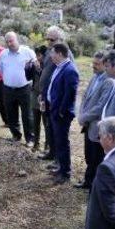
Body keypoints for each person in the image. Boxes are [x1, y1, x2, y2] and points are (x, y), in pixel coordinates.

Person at [74, 51, 114, 190]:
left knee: (96, 157)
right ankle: (88, 181)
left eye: (97, 64)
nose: (94, 66)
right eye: (93, 63)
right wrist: (81, 114)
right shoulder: (94, 77)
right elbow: (85, 97)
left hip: (96, 126)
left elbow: (100, 106)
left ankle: (93, 184)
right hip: (87, 124)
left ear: (105, 65)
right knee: (88, 155)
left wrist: (84, 117)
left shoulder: (108, 81)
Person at [37, 26, 74, 160]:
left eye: (52, 39)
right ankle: (52, 152)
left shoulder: (66, 54)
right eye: (47, 39)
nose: (49, 42)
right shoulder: (49, 51)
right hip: (47, 95)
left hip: (56, 99)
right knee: (49, 125)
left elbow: (70, 79)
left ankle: (59, 158)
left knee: (57, 130)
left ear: (60, 39)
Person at [44, 43, 79, 184]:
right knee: (58, 141)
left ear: (59, 54)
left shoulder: (70, 70)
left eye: (52, 53)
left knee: (63, 142)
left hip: (61, 114)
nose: (51, 56)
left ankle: (65, 173)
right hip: (55, 110)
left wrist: (61, 112)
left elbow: (70, 94)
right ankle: (60, 168)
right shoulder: (60, 67)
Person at [0, 31, 36, 146]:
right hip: (8, 89)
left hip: (25, 89)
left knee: (27, 115)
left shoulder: (28, 52)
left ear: (17, 39)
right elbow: (0, 69)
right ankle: (16, 135)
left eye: (12, 40)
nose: (10, 43)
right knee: (11, 114)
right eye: (7, 41)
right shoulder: (3, 54)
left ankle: (30, 139)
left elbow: (35, 67)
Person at [29, 46, 48, 151]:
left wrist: (39, 70)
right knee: (35, 120)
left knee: (46, 122)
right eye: (36, 55)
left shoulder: (49, 65)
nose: (37, 58)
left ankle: (47, 144)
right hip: (35, 94)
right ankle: (36, 143)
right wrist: (27, 67)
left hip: (44, 96)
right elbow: (28, 77)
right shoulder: (35, 65)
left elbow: (45, 79)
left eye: (39, 55)